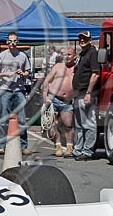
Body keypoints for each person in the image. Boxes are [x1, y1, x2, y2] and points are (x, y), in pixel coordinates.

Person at [0, 32, 31, 155]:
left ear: (17, 42)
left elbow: (28, 73)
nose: (12, 43)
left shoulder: (23, 56)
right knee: (3, 119)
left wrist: (22, 74)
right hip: (5, 89)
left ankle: (24, 146)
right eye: (10, 41)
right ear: (7, 42)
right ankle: (1, 146)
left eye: (14, 41)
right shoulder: (1, 56)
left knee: (22, 119)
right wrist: (4, 74)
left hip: (19, 89)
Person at [71, 30, 100, 161]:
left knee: (88, 124)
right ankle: (78, 149)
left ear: (90, 40)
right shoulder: (83, 54)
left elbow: (95, 74)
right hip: (78, 94)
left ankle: (87, 151)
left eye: (84, 38)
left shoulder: (93, 53)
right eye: (80, 38)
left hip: (85, 94)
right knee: (78, 124)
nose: (82, 40)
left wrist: (88, 93)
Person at [42, 47, 76, 157]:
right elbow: (47, 81)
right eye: (64, 55)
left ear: (74, 56)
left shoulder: (76, 68)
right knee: (54, 124)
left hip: (67, 101)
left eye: (69, 55)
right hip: (54, 98)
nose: (66, 57)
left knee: (68, 124)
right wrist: (45, 97)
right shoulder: (57, 67)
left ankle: (69, 146)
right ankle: (57, 145)